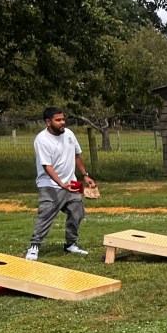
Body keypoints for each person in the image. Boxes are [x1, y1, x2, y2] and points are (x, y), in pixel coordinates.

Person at [25, 107, 97, 260]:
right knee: (46, 215)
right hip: (50, 185)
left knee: (77, 213)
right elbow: (47, 166)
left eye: (63, 119)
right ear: (48, 122)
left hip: (71, 183)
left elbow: (77, 155)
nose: (62, 122)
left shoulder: (69, 134)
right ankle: (34, 246)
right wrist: (60, 183)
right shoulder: (42, 140)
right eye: (58, 120)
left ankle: (71, 244)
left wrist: (85, 175)